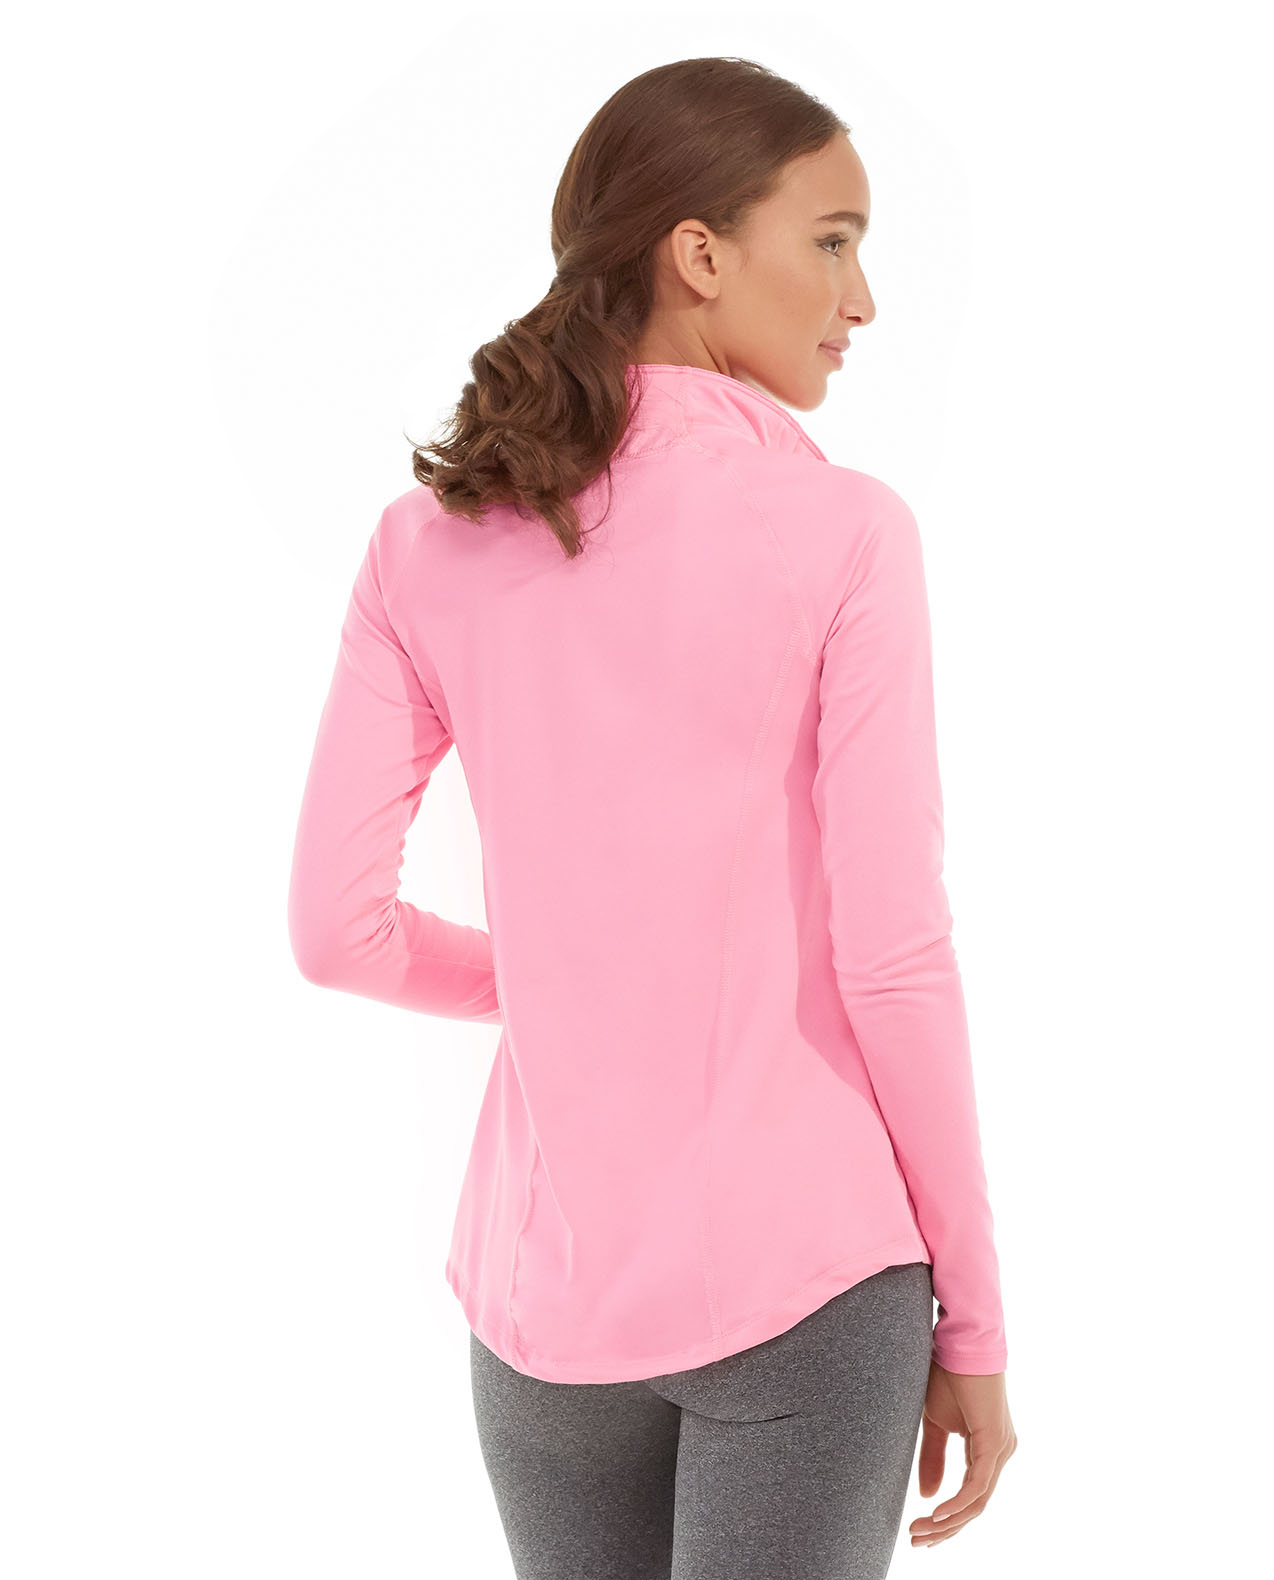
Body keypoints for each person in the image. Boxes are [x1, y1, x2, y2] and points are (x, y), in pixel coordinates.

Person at [288, 53, 1017, 1579]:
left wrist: (559, 981)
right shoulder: (843, 533)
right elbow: (893, 954)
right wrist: (974, 1321)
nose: (862, 297)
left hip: (540, 1310)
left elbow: (336, 934)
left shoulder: (425, 542)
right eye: (831, 239)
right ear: (698, 253)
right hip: (805, 1284)